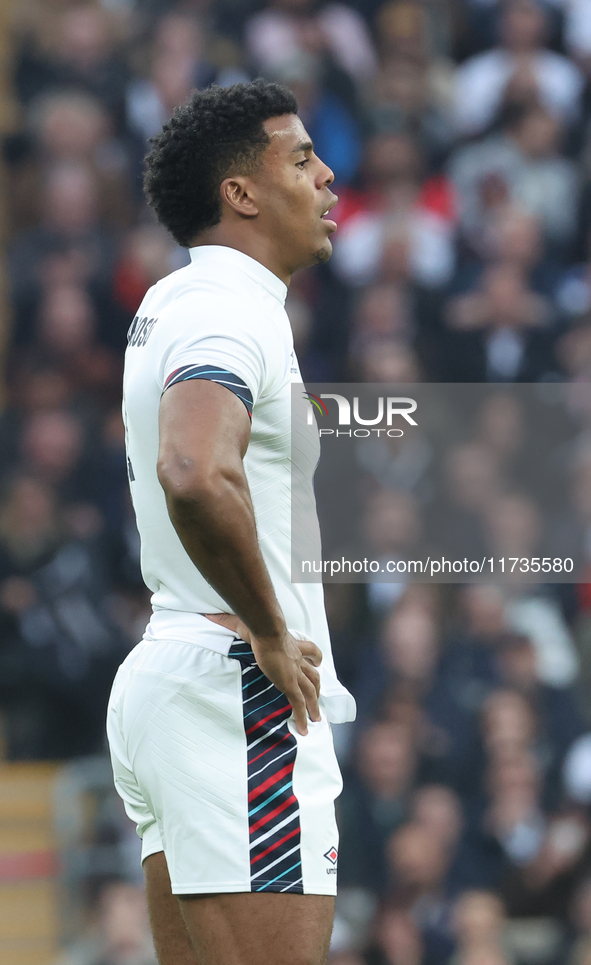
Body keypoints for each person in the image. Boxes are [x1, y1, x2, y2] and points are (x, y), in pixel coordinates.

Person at [106, 79, 356, 965]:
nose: (327, 175)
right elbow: (193, 471)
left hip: (179, 669)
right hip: (234, 687)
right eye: (300, 158)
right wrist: (268, 628)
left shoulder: (179, 301)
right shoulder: (226, 308)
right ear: (240, 194)